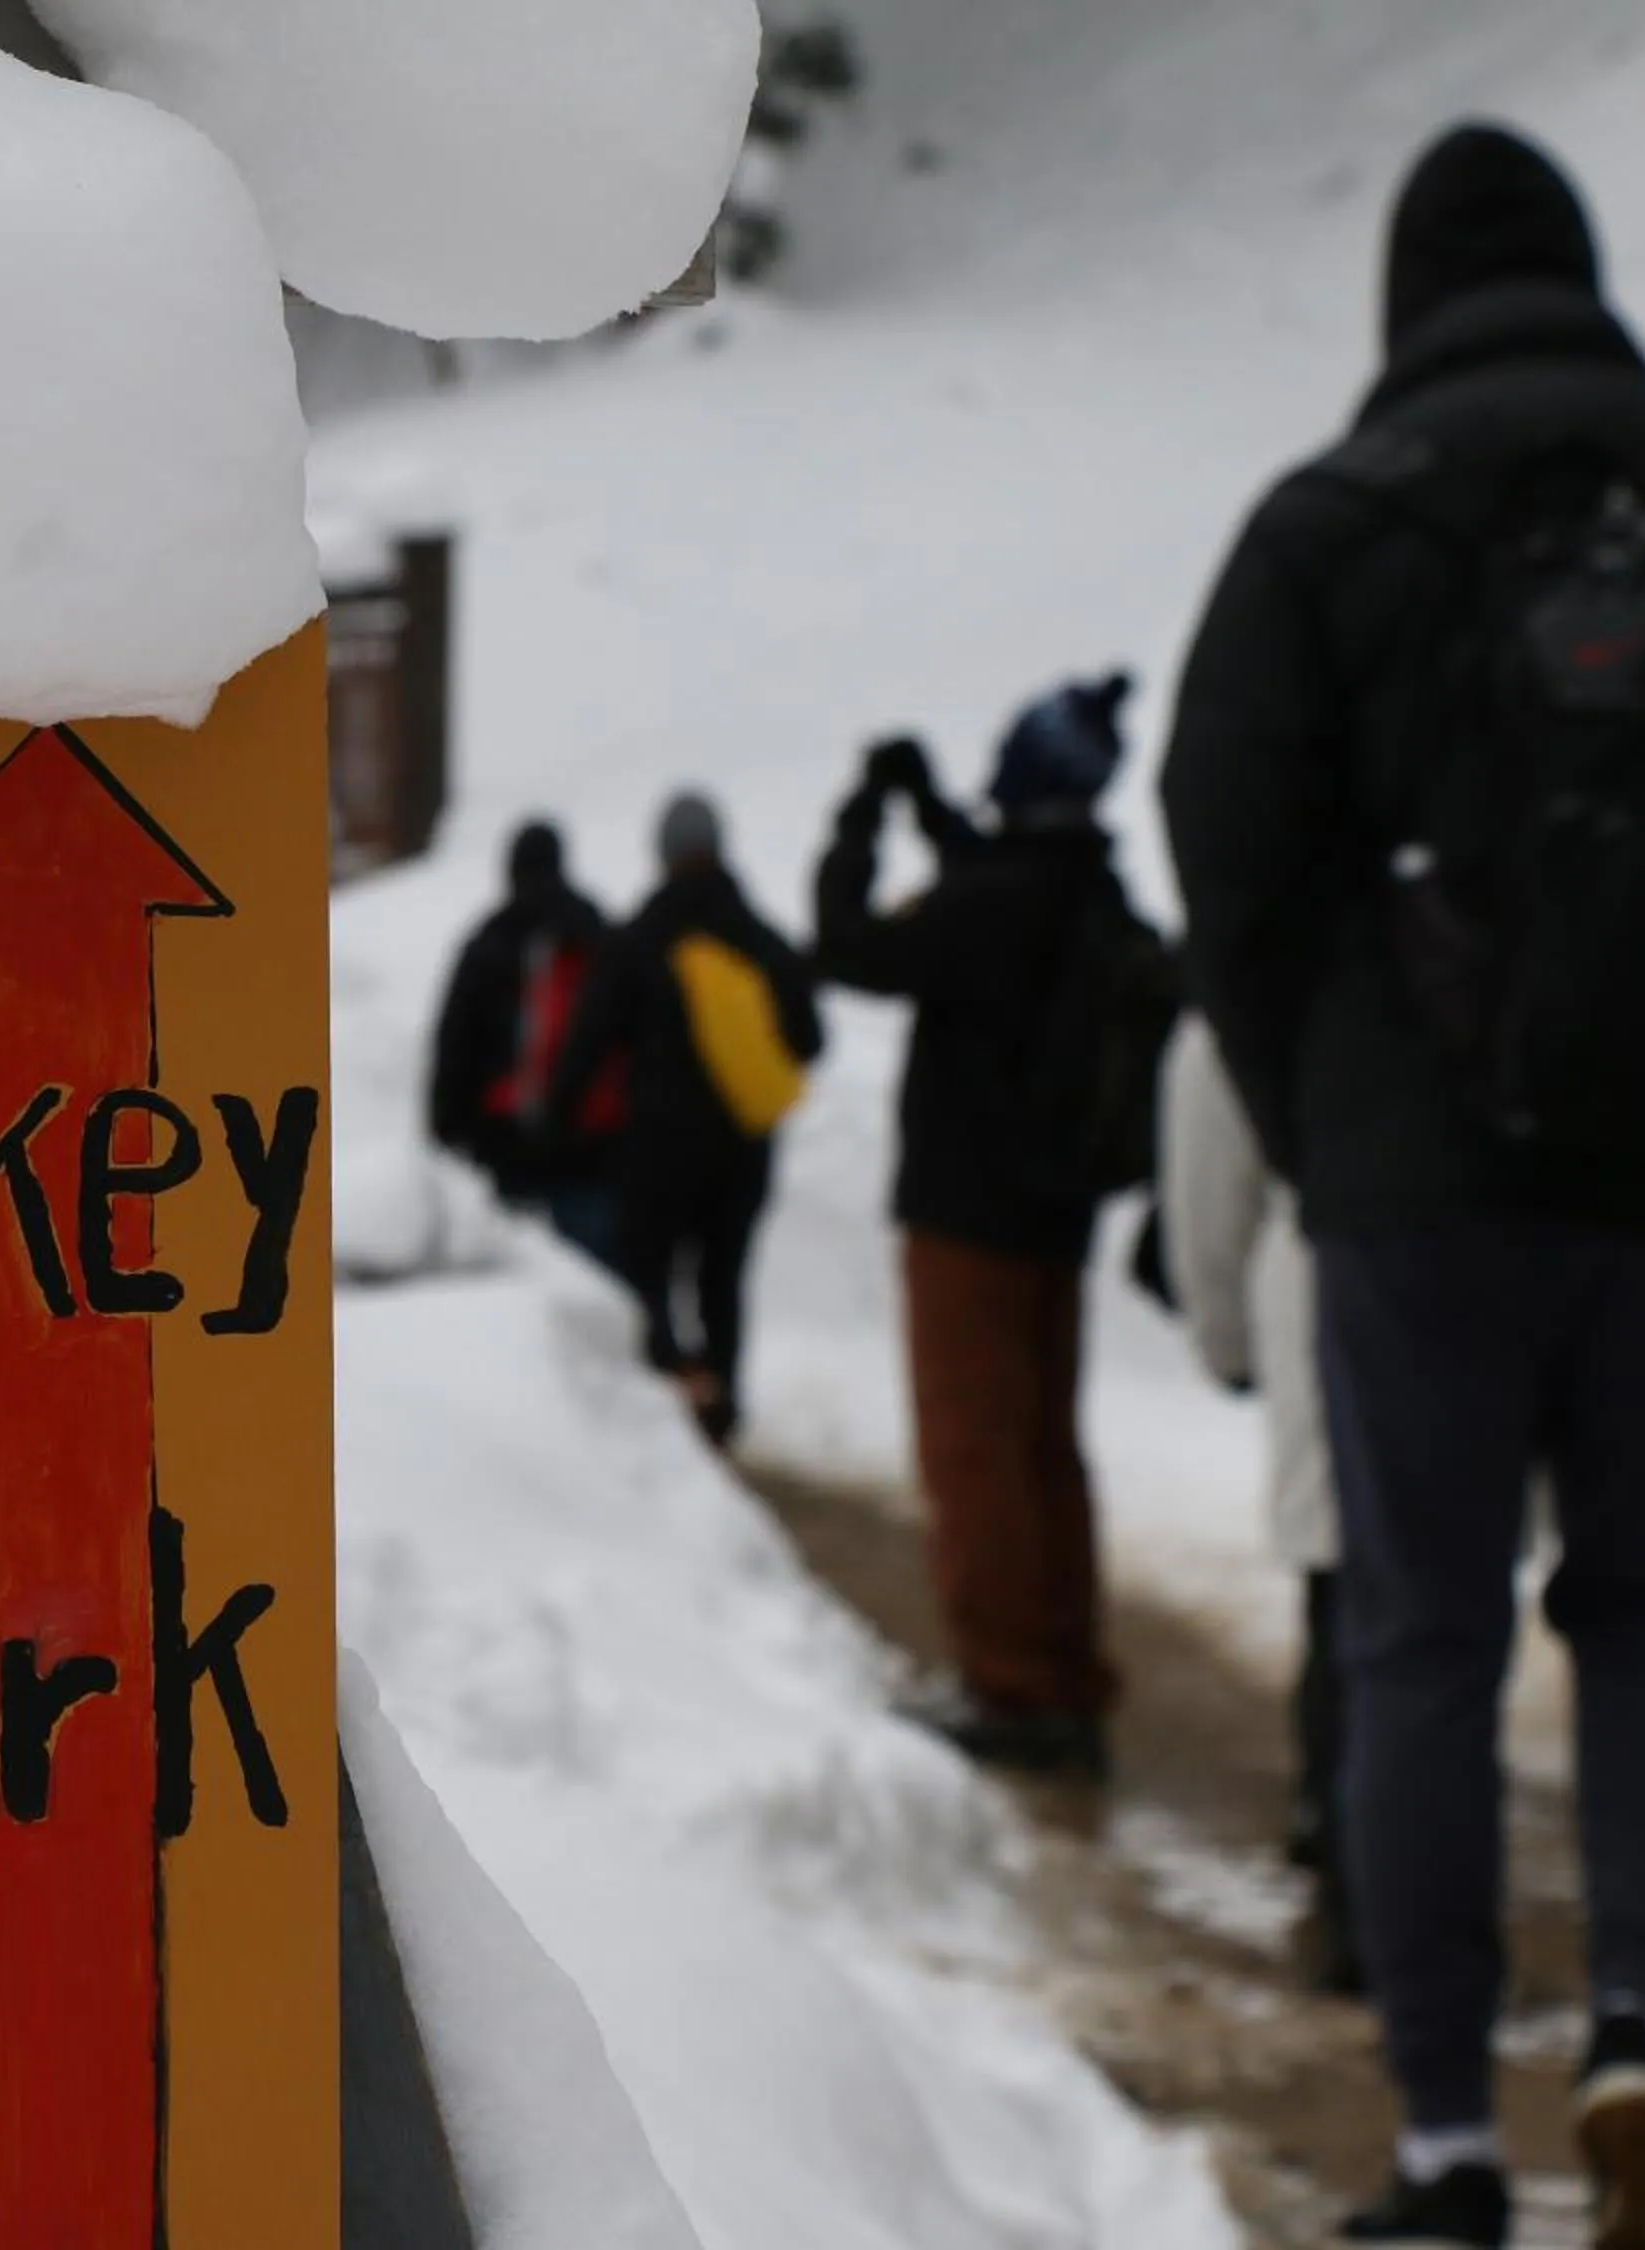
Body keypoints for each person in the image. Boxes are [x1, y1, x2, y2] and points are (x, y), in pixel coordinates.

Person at [1160, 122, 1645, 2250]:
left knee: (1421, 1637)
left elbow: (1223, 849)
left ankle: (1437, 2144)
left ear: (1405, 300)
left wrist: (1327, 1115)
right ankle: (1639, 2029)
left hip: (1420, 1200)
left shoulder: (1328, 532)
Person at [813, 676, 1166, 1782]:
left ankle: (1007, 1689)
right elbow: (992, 879)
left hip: (965, 1220)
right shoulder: (1093, 893)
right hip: (1054, 1221)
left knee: (974, 1454)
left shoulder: (985, 903)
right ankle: (1063, 1674)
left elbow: (847, 945)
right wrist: (935, 814)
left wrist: (863, 816)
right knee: (1045, 1452)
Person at [1156, 1010, 1359, 1995]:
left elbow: (1207, 1167)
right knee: (1428, 1610)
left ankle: (1352, 1854)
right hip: (1469, 1293)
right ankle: (1398, 1864)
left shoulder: (1269, 939)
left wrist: (1225, 1333)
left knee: (1344, 1594)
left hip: (1328, 1271)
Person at [549, 792, 820, 1446]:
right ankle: (722, 1407)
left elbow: (588, 1040)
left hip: (658, 1149)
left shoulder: (642, 936)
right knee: (722, 1280)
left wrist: (555, 1128)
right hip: (744, 1150)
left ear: (663, 853)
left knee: (652, 1275)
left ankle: (670, 1399)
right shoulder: (758, 937)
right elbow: (809, 1037)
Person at [427, 820, 628, 1265]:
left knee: (522, 1294)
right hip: (592, 1148)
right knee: (597, 1298)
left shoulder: (491, 940)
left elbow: (457, 1045)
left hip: (508, 1146)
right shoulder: (598, 934)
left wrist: (445, 1128)